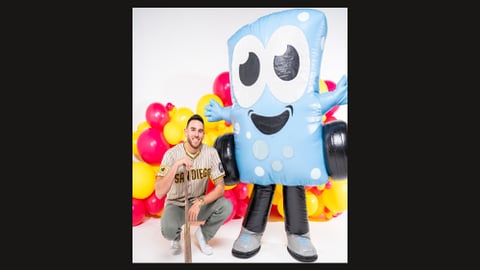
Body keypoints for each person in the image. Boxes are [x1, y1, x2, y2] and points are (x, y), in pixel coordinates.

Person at [154, 114, 233, 256]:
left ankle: (203, 235)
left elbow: (220, 187)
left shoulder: (211, 153)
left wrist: (201, 201)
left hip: (198, 205)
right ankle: (176, 235)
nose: (196, 134)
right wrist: (177, 165)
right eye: (193, 130)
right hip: (177, 205)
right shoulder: (171, 155)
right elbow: (159, 192)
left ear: (203, 134)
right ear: (186, 132)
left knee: (226, 206)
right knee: (168, 230)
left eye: (200, 131)